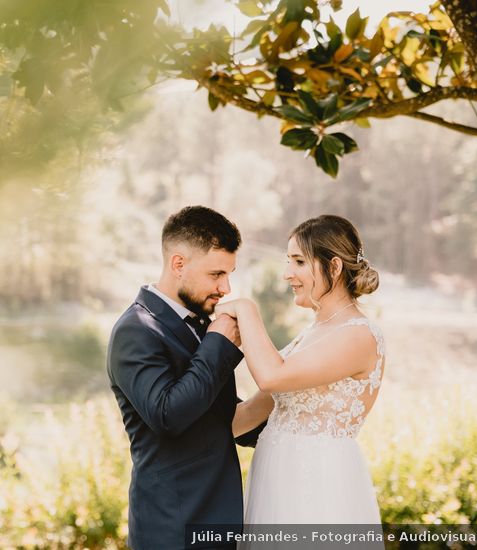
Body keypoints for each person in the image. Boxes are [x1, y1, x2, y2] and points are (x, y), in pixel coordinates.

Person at [107, 206, 273, 550]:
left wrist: (283, 391)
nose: (225, 287)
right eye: (216, 274)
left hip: (219, 525)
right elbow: (169, 415)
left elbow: (218, 420)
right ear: (178, 264)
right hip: (172, 529)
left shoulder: (200, 324)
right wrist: (219, 343)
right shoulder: (136, 330)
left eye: (229, 274)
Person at [214, 215, 385, 538]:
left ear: (334, 267)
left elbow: (270, 377)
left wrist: (246, 310)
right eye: (287, 261)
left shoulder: (360, 335)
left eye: (299, 261)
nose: (287, 274)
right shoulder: (312, 332)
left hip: (318, 487)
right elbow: (253, 410)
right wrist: (177, 437)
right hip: (274, 481)